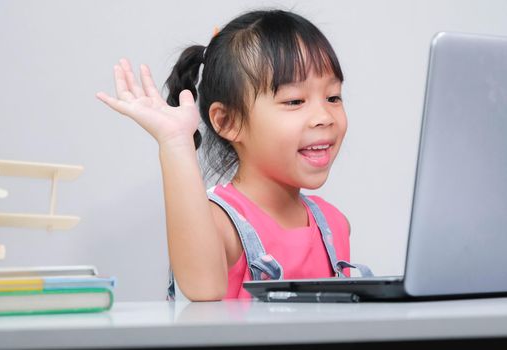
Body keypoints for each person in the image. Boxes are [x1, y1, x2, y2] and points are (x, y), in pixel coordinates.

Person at [96, 9, 371, 302]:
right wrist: (176, 143)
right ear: (228, 122)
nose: (324, 116)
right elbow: (204, 286)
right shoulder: (220, 222)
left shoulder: (334, 224)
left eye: (333, 97)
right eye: (294, 100)